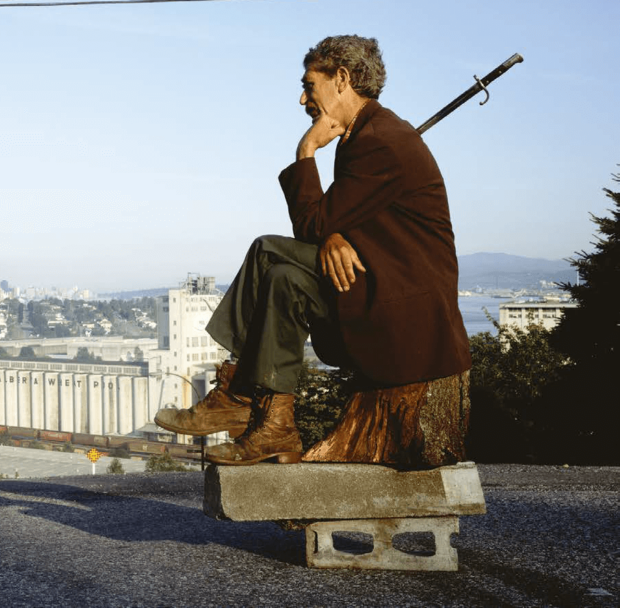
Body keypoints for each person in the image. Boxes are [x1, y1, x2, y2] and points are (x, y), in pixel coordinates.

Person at [154, 35, 471, 465]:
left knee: (268, 251)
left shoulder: (381, 140)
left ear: (341, 79)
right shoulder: (364, 137)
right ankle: (276, 429)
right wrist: (333, 235)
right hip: (380, 290)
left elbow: (312, 223)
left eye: (310, 85)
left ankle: (237, 393)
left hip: (406, 313)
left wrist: (306, 151)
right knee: (285, 280)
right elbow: (333, 221)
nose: (303, 98)